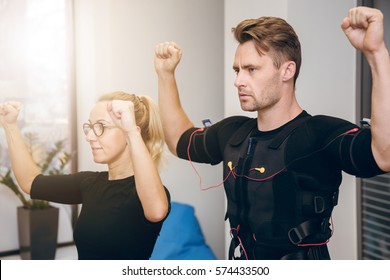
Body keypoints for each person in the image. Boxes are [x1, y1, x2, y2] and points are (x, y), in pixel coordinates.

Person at [154, 6, 390, 260]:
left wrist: (376, 53)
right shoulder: (233, 132)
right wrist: (165, 75)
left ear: (287, 71)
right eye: (237, 70)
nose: (238, 81)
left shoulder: (318, 134)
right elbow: (179, 141)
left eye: (251, 69)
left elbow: (383, 155)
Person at [0, 91, 170, 260]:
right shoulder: (89, 183)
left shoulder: (148, 195)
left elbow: (156, 211)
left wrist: (132, 131)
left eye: (101, 127)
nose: (89, 137)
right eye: (90, 127)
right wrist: (10, 125)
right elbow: (30, 182)